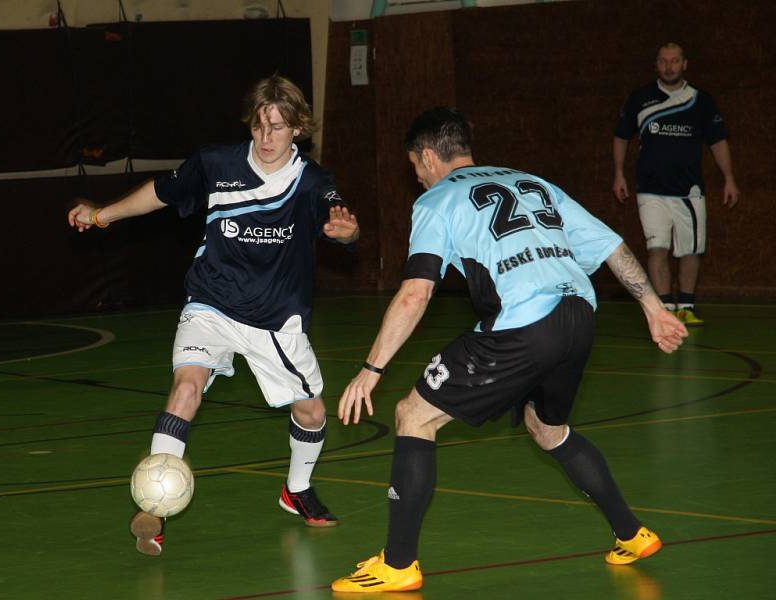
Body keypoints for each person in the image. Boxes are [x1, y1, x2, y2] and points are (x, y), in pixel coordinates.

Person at [331, 107, 687, 593]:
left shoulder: (438, 200)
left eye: (415, 166)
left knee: (414, 416)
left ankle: (397, 565)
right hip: (579, 316)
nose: (416, 177)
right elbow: (610, 246)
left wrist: (371, 369)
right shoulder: (534, 183)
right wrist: (653, 306)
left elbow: (416, 292)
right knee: (548, 428)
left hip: (524, 324)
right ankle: (632, 534)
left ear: (430, 157)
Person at [68, 75, 359, 556]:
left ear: (298, 130)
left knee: (311, 411)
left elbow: (341, 226)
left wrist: (346, 233)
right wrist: (101, 215)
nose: (267, 138)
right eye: (260, 126)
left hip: (274, 316)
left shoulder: (313, 182)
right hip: (212, 302)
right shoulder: (215, 162)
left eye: (279, 128)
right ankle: (154, 508)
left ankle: (297, 489)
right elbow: (160, 193)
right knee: (186, 388)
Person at [612, 42, 740, 327]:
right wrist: (619, 173)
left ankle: (686, 307)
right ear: (656, 65)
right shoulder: (640, 98)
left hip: (689, 192)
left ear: (685, 64)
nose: (669, 66)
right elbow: (621, 136)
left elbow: (718, 142)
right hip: (650, 189)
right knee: (657, 249)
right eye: (663, 61)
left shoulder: (701, 100)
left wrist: (729, 178)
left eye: (674, 61)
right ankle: (666, 308)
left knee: (690, 250)